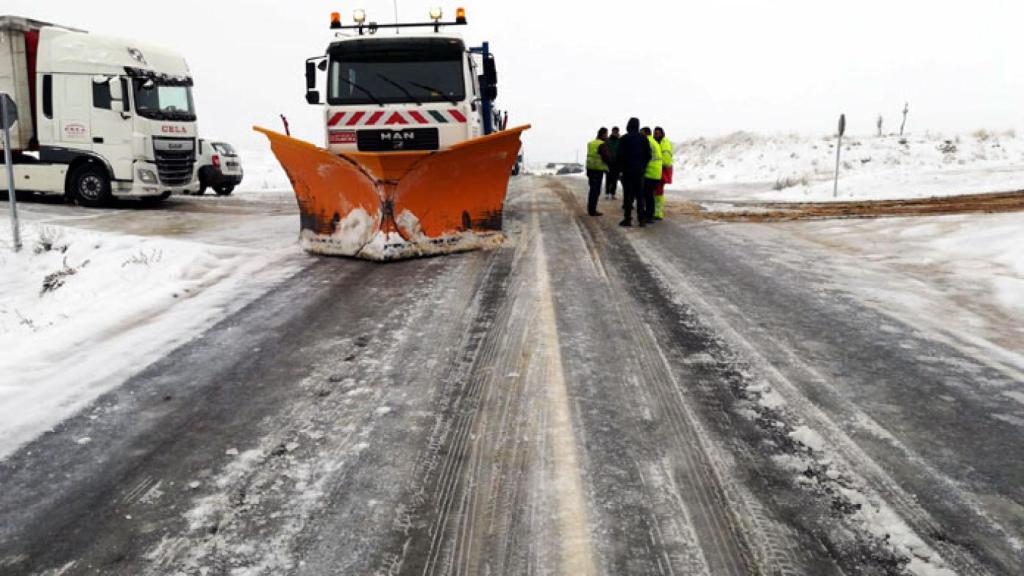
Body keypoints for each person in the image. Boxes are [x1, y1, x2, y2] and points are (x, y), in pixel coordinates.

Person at [616, 118, 652, 227]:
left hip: (627, 171)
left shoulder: (624, 139)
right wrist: (643, 166)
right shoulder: (644, 139)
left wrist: (621, 169)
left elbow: (619, 156)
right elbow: (648, 155)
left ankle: (627, 219)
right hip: (639, 171)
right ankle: (641, 219)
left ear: (628, 125)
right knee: (640, 196)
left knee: (628, 195)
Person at [585, 127, 611, 216]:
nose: (607, 136)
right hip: (597, 170)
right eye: (606, 134)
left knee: (592, 189)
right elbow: (606, 157)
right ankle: (592, 210)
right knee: (595, 191)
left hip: (590, 168)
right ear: (603, 134)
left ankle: (591, 209)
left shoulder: (591, 143)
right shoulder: (602, 144)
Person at [641, 127, 662, 224]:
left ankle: (649, 216)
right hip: (656, 172)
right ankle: (649, 214)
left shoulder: (647, 142)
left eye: (641, 133)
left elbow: (645, 157)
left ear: (646, 133)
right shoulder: (654, 142)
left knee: (648, 196)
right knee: (650, 195)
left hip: (650, 172)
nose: (640, 135)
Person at [653, 127, 673, 220]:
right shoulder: (660, 141)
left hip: (661, 169)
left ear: (661, 134)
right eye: (654, 133)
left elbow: (666, 159)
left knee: (658, 191)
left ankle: (658, 212)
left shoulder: (664, 142)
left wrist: (660, 165)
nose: (655, 135)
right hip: (658, 169)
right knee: (657, 191)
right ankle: (656, 211)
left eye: (657, 133)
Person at [605, 126, 621, 199]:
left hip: (617, 163)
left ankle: (613, 194)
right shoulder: (607, 140)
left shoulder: (620, 141)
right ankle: (607, 193)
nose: (615, 133)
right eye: (614, 132)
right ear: (612, 132)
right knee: (608, 179)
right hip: (609, 162)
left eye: (616, 132)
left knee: (615, 179)